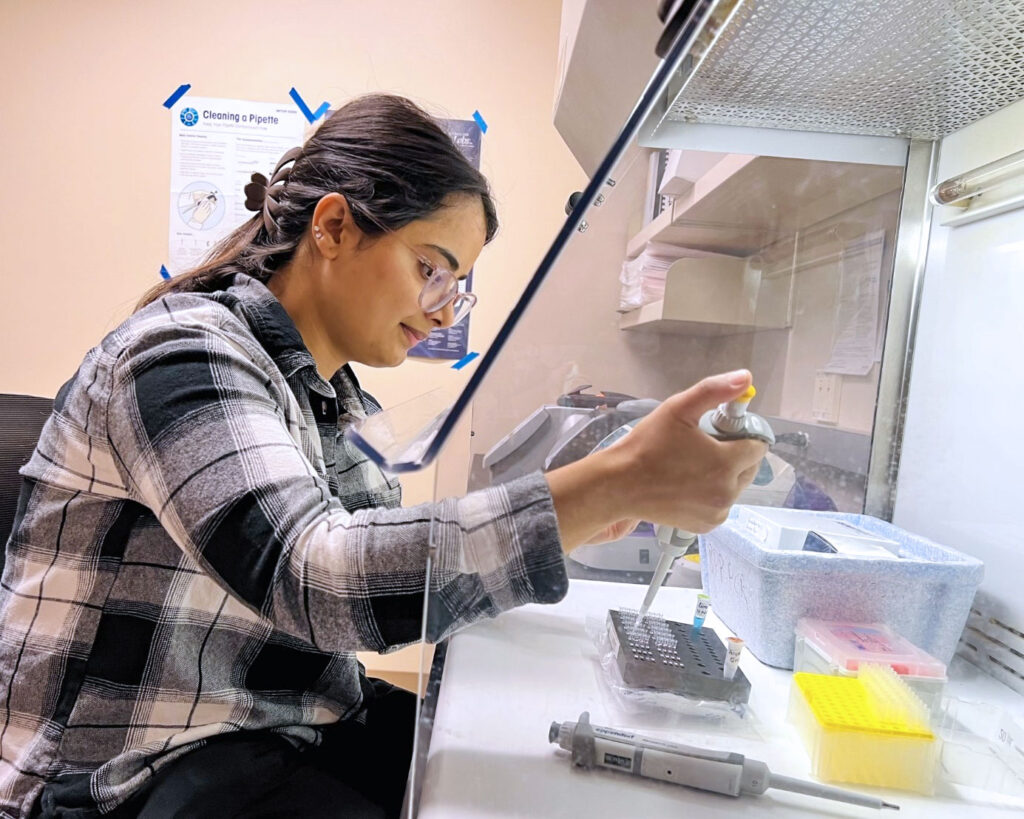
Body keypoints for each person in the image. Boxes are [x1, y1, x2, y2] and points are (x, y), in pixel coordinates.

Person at [0, 94, 766, 818]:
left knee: (523, 767)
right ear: (332, 227)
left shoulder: (335, 396)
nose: (441, 307)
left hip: (274, 724)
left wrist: (578, 512)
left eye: (457, 286)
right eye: (431, 267)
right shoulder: (179, 354)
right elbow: (317, 578)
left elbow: (380, 560)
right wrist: (603, 485)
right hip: (121, 775)